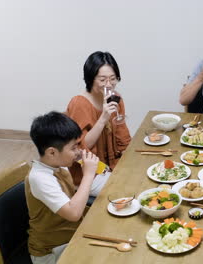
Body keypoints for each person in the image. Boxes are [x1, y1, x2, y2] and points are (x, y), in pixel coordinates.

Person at [26, 111, 99, 264]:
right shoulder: (39, 178)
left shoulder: (57, 164)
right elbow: (73, 214)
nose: (78, 151)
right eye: (73, 147)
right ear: (52, 152)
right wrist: (88, 175)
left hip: (71, 235)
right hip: (51, 251)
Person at [67, 51, 131, 192]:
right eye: (102, 80)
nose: (109, 85)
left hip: (112, 164)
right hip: (88, 173)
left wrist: (130, 158)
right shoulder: (79, 103)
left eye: (113, 79)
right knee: (125, 189)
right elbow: (80, 148)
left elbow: (123, 136)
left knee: (139, 176)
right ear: (90, 79)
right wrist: (103, 118)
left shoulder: (115, 98)